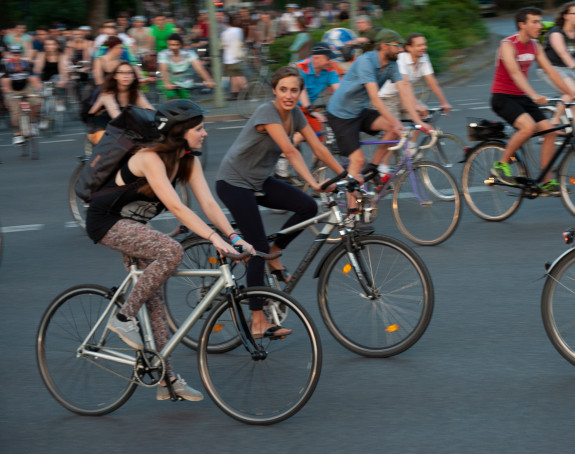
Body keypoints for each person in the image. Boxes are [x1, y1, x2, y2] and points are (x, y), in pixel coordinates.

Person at [86, 99, 253, 401]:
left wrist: (233, 235)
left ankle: (166, 379)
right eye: (199, 129)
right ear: (179, 131)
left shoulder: (189, 160)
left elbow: (209, 204)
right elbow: (176, 206)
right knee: (171, 251)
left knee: (157, 304)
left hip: (134, 228)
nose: (205, 133)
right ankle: (122, 319)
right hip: (107, 223)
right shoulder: (149, 158)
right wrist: (214, 238)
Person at [216, 66, 346, 338]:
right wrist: (313, 182)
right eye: (283, 89)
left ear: (300, 92)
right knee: (256, 248)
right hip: (234, 182)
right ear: (274, 91)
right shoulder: (268, 112)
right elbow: (289, 150)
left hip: (259, 180)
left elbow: (319, 147)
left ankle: (276, 252)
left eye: (294, 90)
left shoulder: (296, 114)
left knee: (308, 207)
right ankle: (258, 321)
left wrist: (346, 175)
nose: (289, 95)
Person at [326, 29, 430, 191]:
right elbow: (375, 98)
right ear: (384, 46)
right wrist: (395, 121)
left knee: (394, 130)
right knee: (357, 160)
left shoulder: (392, 65)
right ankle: (351, 213)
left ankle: (373, 168)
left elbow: (403, 90)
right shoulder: (365, 62)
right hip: (341, 115)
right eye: (397, 46)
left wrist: (418, 122)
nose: (401, 49)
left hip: (359, 111)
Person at [490, 6, 575, 194]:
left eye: (540, 21)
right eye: (535, 22)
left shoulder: (535, 46)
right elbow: (514, 73)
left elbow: (552, 71)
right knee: (528, 127)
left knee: (550, 132)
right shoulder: (508, 44)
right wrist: (534, 94)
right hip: (502, 97)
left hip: (521, 97)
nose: (540, 26)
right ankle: (501, 164)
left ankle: (546, 181)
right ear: (522, 25)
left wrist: (570, 92)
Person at [378, 32, 452, 154]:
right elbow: (405, 84)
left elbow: (431, 81)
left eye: (424, 44)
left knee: (424, 114)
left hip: (402, 95)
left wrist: (444, 102)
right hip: (387, 97)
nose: (423, 48)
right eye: (418, 45)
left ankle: (410, 148)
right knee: (395, 131)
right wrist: (415, 105)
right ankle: (383, 167)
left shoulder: (423, 57)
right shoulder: (401, 58)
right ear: (409, 48)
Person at [538, 2, 575, 127]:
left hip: (568, 69)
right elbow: (563, 53)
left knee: (573, 100)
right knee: (572, 92)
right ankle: (554, 122)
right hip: (551, 68)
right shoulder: (556, 32)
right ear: (565, 16)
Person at [1, 46, 43, 145]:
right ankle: (17, 134)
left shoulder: (26, 64)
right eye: (14, 55)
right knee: (15, 112)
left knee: (37, 103)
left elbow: (33, 79)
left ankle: (32, 123)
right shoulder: (5, 65)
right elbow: (5, 83)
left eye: (18, 54)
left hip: (25, 87)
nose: (16, 57)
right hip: (12, 89)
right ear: (10, 55)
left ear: (21, 55)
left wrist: (39, 91)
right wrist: (10, 95)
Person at [157, 33, 215, 100]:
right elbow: (164, 70)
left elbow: (199, 69)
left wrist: (208, 80)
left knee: (186, 102)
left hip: (183, 82)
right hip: (167, 80)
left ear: (181, 45)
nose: (173, 47)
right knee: (172, 99)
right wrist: (167, 83)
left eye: (176, 45)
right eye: (171, 45)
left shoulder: (189, 53)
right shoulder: (163, 54)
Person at [220, 15, 247, 101]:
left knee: (234, 76)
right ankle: (242, 92)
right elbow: (241, 42)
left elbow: (223, 46)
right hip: (237, 56)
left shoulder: (224, 33)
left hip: (227, 58)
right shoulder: (238, 30)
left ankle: (237, 93)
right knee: (238, 75)